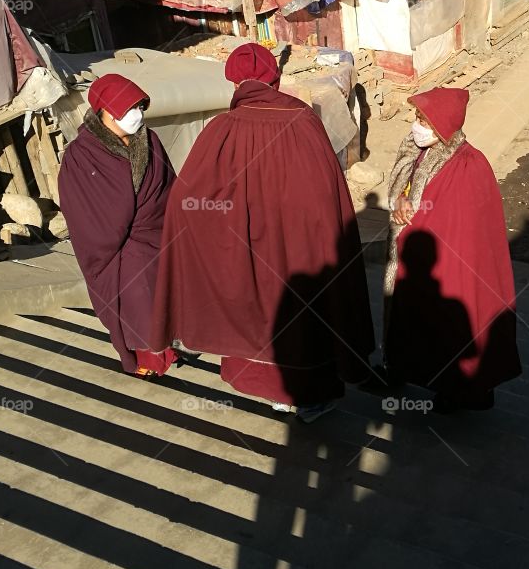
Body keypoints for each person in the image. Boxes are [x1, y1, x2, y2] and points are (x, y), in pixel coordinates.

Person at [150, 43, 373, 423]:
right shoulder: (303, 121)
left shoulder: (222, 128)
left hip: (246, 245)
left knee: (256, 308)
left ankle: (271, 393)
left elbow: (186, 199)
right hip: (299, 246)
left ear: (234, 83)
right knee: (304, 316)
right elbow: (326, 192)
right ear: (276, 77)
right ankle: (307, 399)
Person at [383, 86, 521, 413]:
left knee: (454, 330)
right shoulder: (416, 149)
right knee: (414, 323)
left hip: (452, 267)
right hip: (414, 259)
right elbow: (404, 186)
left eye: (423, 120)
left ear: (444, 124)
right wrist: (399, 202)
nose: (415, 125)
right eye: (416, 117)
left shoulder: (468, 166)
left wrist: (411, 222)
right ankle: (401, 369)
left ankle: (460, 391)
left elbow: (458, 226)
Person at [58, 74, 179, 378]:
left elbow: (168, 185)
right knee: (136, 303)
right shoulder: (81, 155)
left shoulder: (150, 141)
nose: (136, 116)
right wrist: (111, 233)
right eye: (127, 110)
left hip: (154, 233)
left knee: (163, 299)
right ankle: (148, 360)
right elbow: (81, 209)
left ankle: (167, 349)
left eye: (140, 108)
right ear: (103, 112)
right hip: (112, 248)